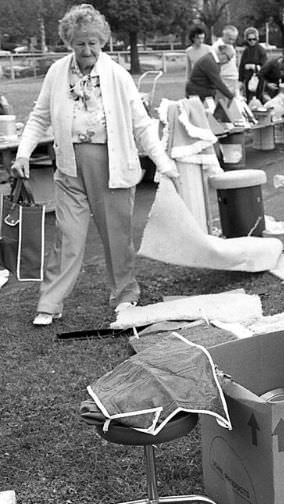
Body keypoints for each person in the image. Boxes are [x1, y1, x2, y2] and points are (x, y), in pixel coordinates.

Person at [10, 3, 179, 327]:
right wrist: (23, 154)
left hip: (111, 166)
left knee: (116, 236)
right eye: (80, 43)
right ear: (68, 42)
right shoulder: (57, 72)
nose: (87, 50)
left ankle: (125, 295)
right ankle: (50, 301)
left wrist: (163, 162)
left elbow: (141, 124)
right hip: (70, 166)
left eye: (93, 43)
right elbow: (39, 116)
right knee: (68, 236)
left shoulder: (116, 75)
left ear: (103, 42)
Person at [239, 26, 268, 103]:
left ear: (257, 38)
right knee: (248, 99)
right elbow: (241, 66)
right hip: (248, 78)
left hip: (259, 79)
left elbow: (265, 67)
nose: (252, 41)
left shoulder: (261, 50)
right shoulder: (246, 51)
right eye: (249, 39)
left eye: (254, 39)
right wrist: (240, 80)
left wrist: (253, 66)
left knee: (259, 98)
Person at [212, 24, 239, 96]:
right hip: (223, 78)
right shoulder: (216, 47)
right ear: (224, 35)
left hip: (233, 77)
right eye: (230, 39)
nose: (232, 41)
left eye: (234, 39)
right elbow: (214, 64)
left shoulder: (230, 45)